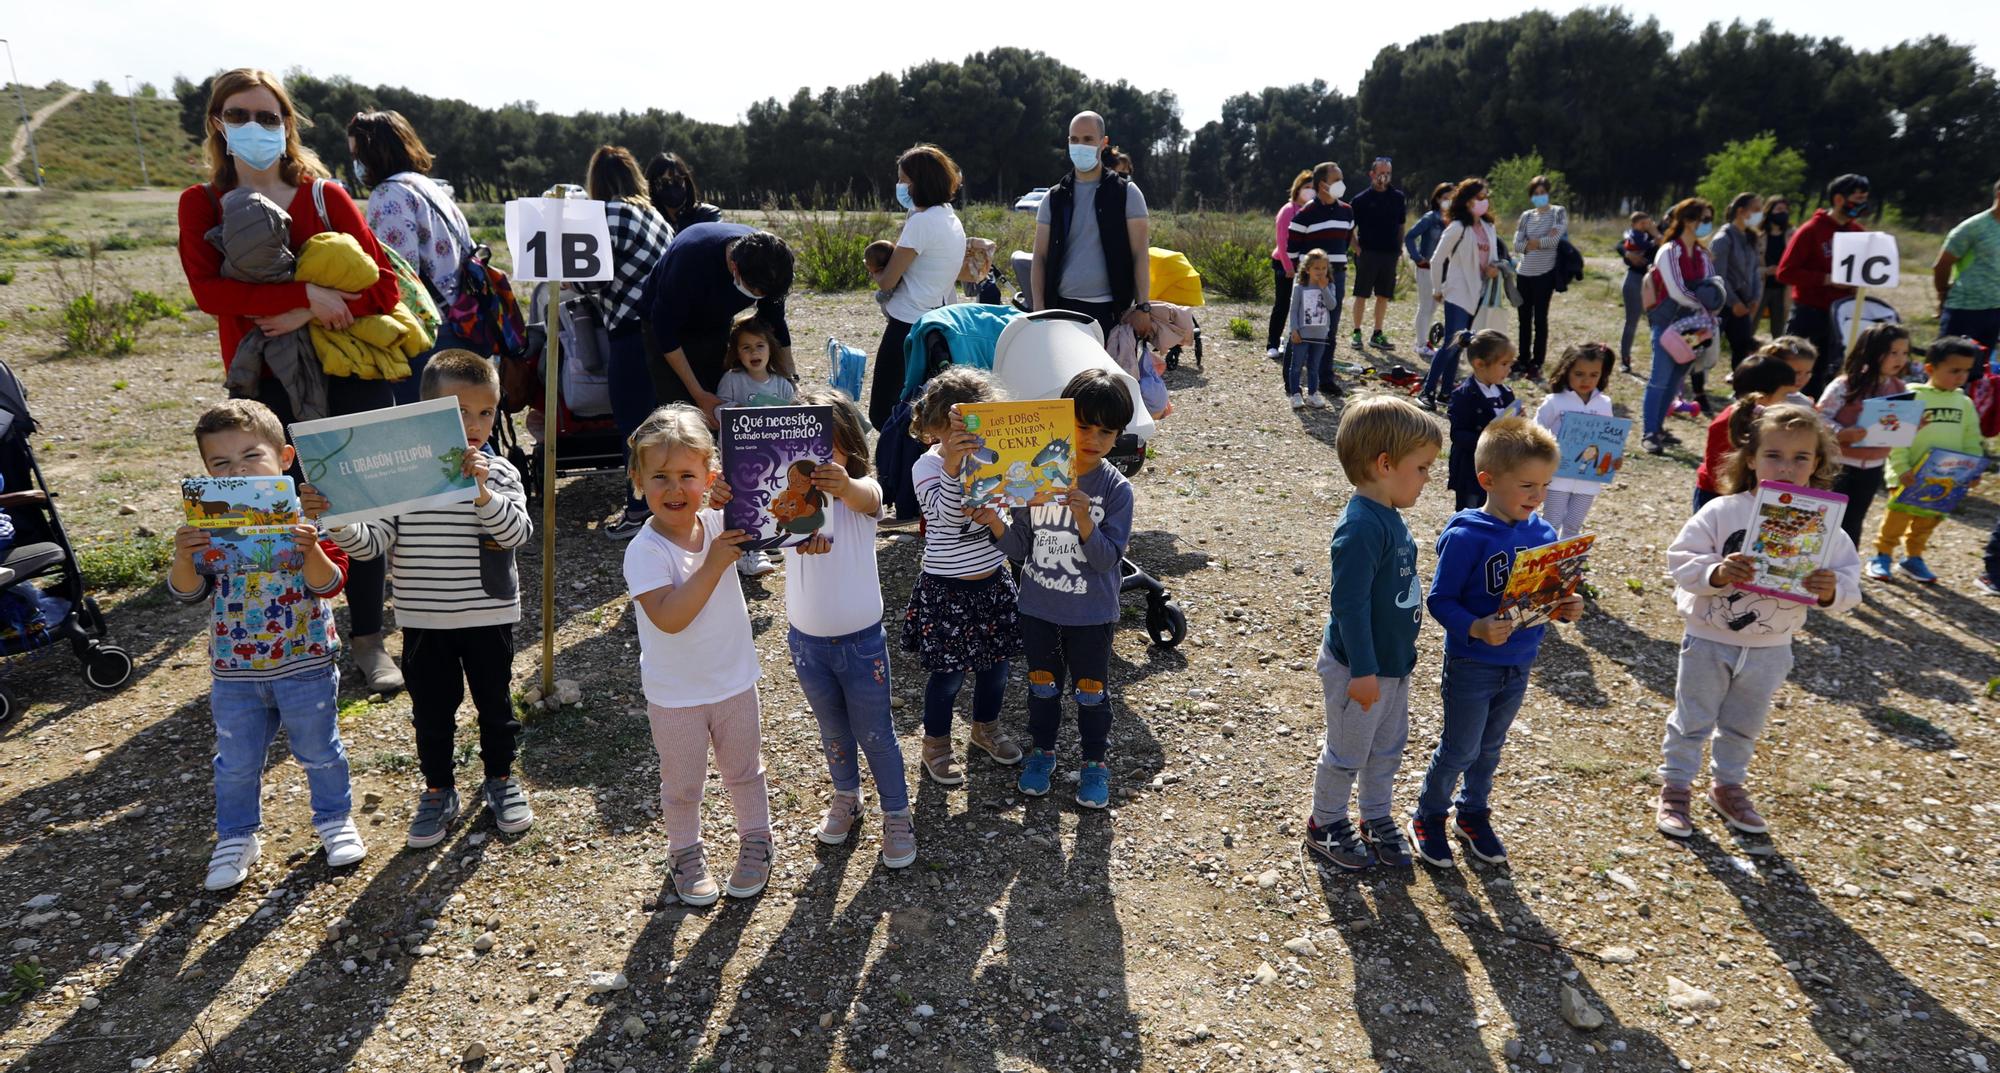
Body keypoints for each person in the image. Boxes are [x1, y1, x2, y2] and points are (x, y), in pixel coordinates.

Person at [176, 67, 407, 695]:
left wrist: (310, 308)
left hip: (346, 372)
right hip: (262, 383)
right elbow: (208, 290)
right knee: (270, 507)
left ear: (288, 124)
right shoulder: (200, 203)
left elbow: (384, 289)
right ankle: (285, 634)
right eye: (240, 114)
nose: (255, 127)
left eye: (268, 116)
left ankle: (367, 639)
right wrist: (305, 288)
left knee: (356, 506)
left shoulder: (325, 195)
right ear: (218, 124)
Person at [317, 352, 534, 847]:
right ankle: (439, 789)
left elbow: (516, 532)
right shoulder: (403, 480)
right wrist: (338, 520)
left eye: (485, 412)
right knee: (432, 714)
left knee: (495, 705)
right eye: (458, 412)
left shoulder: (498, 473)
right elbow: (373, 543)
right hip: (424, 618)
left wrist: (481, 493)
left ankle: (501, 779)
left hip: (488, 614)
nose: (474, 424)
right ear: (423, 416)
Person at [711, 387, 916, 867]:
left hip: (863, 642)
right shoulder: (788, 502)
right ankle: (847, 796)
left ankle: (897, 813)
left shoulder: (860, 495)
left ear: (848, 445)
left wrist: (844, 485)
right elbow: (741, 526)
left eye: (826, 444)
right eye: (803, 447)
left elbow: (869, 498)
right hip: (806, 641)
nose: (814, 459)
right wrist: (725, 495)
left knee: (877, 733)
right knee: (834, 732)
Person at [170, 400, 360, 890]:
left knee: (320, 750)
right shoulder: (208, 519)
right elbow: (189, 591)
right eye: (221, 464)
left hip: (306, 660)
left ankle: (334, 820)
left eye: (251, 456)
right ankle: (236, 836)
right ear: (205, 472)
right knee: (235, 762)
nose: (238, 471)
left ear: (285, 457)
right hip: (234, 668)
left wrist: (310, 545)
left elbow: (331, 584)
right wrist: (184, 555)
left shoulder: (313, 513)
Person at [1656, 403, 1860, 839]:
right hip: (1709, 637)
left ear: (1818, 463)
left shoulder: (1827, 527)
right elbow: (1681, 559)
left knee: (1743, 725)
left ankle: (1727, 786)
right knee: (1693, 717)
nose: (1786, 466)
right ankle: (1675, 788)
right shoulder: (1722, 511)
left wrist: (1829, 589)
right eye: (1774, 455)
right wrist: (1716, 572)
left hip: (1772, 646)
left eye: (1801, 457)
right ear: (1751, 459)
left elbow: (1850, 584)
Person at [1412, 417, 1585, 868]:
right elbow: (1440, 600)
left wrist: (1565, 607)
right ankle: (1428, 815)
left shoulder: (1543, 533)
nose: (1539, 496)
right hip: (1472, 662)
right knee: (1460, 748)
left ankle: (1473, 812)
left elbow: (1543, 598)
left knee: (1491, 747)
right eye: (1528, 485)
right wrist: (1475, 627)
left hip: (1520, 662)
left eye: (1545, 485)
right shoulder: (1467, 536)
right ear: (1488, 480)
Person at [623, 404, 772, 906]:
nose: (674, 489)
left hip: (734, 682)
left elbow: (775, 515)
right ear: (637, 480)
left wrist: (740, 493)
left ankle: (756, 839)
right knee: (682, 784)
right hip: (676, 695)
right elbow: (669, 616)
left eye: (688, 475)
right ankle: (684, 850)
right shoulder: (644, 551)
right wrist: (713, 563)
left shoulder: (719, 524)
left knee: (745, 770)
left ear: (709, 477)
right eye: (659, 476)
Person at [985, 369, 1135, 808]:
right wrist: (995, 521)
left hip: (1091, 615)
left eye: (1106, 431)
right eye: (1083, 425)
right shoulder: (1037, 477)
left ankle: (1094, 764)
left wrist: (1086, 518)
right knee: (1042, 687)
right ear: (1062, 420)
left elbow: (1109, 560)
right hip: (1038, 607)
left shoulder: (1116, 489)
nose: (1093, 438)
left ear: (1117, 435)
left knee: (1092, 691)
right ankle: (1042, 753)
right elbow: (1020, 548)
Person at [1303, 395, 1439, 871]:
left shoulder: (1389, 516)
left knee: (1386, 748)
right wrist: (1363, 670)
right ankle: (1325, 822)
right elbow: (1349, 605)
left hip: (1393, 665)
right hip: (1361, 670)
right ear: (1385, 464)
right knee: (1347, 752)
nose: (1427, 479)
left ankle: (1375, 815)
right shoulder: (1360, 527)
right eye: (1421, 468)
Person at [901, 368, 1025, 784]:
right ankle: (935, 743)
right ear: (935, 425)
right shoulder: (927, 466)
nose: (967, 435)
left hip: (993, 581)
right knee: (949, 676)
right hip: (947, 589)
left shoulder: (995, 457)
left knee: (997, 669)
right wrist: (952, 464)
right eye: (956, 428)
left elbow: (1012, 509)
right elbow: (946, 518)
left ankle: (985, 727)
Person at [345, 109, 471, 402]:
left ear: (375, 152)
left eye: (357, 155)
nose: (356, 165)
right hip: (462, 321)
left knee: (431, 433)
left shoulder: (389, 194)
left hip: (426, 333)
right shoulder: (427, 187)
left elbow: (398, 276)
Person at [588, 146, 677, 541]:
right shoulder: (653, 214)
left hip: (629, 333)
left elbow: (592, 278)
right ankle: (669, 502)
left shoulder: (608, 215)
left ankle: (640, 507)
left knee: (633, 426)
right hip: (663, 332)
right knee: (661, 422)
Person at [641, 223, 795, 425]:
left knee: (720, 402)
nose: (762, 297)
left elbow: (775, 323)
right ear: (734, 267)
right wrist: (699, 395)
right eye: (756, 292)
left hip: (715, 322)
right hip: (666, 325)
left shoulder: (770, 263)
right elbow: (665, 332)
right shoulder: (690, 261)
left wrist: (792, 380)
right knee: (683, 413)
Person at [868, 145, 967, 430]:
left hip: (906, 324)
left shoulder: (921, 223)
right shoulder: (949, 218)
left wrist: (875, 269)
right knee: (921, 408)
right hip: (937, 321)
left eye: (903, 180)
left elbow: (888, 279)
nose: (900, 186)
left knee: (884, 411)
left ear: (918, 183)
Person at [1031, 111, 1152, 340]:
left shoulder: (1127, 193)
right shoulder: (1054, 198)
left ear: (1103, 142)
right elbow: (1040, 257)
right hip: (1061, 310)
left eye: (1088, 139)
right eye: (1074, 140)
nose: (1080, 145)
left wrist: (1143, 307)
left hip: (1111, 313)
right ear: (1068, 142)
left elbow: (1140, 255)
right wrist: (1039, 308)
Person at [1870, 338, 1983, 584]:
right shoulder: (1912, 396)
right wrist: (1900, 468)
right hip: (1908, 473)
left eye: (1966, 371)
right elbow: (1896, 437)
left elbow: (1971, 438)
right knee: (1897, 517)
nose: (1961, 377)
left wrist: (1972, 469)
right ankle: (1882, 555)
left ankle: (1913, 557)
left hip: (1946, 477)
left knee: (1928, 519)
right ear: (1930, 369)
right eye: (1954, 370)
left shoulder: (1964, 403)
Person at [1816, 322, 1912, 549]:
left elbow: (1897, 427)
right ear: (1873, 352)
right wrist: (1842, 433)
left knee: (1854, 521)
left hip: (1873, 467)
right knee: (1825, 518)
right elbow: (1819, 418)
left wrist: (1913, 425)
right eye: (1893, 352)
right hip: (1838, 464)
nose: (1900, 359)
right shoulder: (1845, 385)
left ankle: (1843, 572)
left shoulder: (1900, 388)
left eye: (1905, 353)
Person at [1778, 174, 1870, 396]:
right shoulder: (1811, 230)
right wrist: (1826, 279)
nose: (1861, 205)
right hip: (1809, 313)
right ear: (1839, 199)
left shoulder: (1859, 233)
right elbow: (1785, 272)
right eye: (1857, 199)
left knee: (1828, 369)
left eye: (1864, 199)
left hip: (1842, 314)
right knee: (1795, 367)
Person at [1640, 198, 1718, 455]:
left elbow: (1713, 284)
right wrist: (1706, 301)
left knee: (1675, 380)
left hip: (1693, 326)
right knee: (1659, 379)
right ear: (1687, 219)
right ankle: (1649, 432)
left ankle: (1659, 428)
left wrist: (1711, 302)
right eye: (1703, 219)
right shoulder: (1669, 251)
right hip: (1668, 323)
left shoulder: (1702, 254)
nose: (1707, 225)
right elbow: (1677, 290)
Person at [1418, 177, 1498, 410]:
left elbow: (1491, 257)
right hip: (1457, 291)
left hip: (1478, 292)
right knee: (1451, 344)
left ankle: (1446, 392)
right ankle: (1427, 391)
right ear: (1467, 200)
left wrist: (1495, 267)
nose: (1484, 202)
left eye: (1486, 197)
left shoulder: (1488, 227)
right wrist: (1437, 288)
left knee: (1462, 344)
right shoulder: (1457, 227)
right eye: (1480, 197)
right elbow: (1437, 259)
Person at [1691, 352, 1798, 513]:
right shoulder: (1725, 424)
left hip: (1747, 494)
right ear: (1762, 397)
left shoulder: (1768, 420)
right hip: (1717, 495)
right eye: (1785, 395)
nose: (1788, 401)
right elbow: (1716, 470)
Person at [1533, 341, 1615, 538]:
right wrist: (1549, 446)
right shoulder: (1555, 401)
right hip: (1557, 476)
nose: (1586, 380)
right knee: (1551, 522)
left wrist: (1614, 458)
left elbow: (1610, 439)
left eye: (1594, 375)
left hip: (1589, 480)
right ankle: (1543, 563)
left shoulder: (1605, 404)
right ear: (1566, 370)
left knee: (1573, 526)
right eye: (1579, 374)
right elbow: (1536, 429)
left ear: (1601, 375)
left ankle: (1565, 566)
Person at [1288, 162, 1355, 390]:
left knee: (1330, 327)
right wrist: (1306, 276)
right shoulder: (1306, 213)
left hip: (1336, 277)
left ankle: (1325, 378)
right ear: (1322, 184)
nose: (1341, 184)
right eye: (1336, 180)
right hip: (1309, 281)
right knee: (1302, 325)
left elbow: (1345, 241)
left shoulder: (1347, 210)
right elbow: (1292, 248)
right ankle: (1293, 375)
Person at [1446, 330, 1520, 511]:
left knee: (1496, 511)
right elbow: (1458, 434)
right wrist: (1488, 437)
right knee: (1471, 511)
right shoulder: (1463, 395)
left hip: (1500, 468)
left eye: (1510, 364)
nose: (1508, 369)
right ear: (1479, 364)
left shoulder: (1505, 393)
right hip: (1471, 470)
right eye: (1503, 364)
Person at [1510, 175, 1567, 379]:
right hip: (1523, 273)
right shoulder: (1526, 216)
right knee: (1523, 319)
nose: (1539, 196)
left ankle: (1537, 361)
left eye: (1543, 193)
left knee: (1540, 319)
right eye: (1536, 194)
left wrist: (1532, 243)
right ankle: (1523, 358)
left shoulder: (1558, 212)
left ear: (1548, 193)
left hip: (1545, 274)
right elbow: (1516, 245)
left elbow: (1554, 240)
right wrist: (1535, 242)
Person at [1933, 179, 2000, 350]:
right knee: (1947, 363)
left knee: (1979, 370)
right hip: (1964, 309)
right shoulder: (1974, 227)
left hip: (1995, 310)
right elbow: (1942, 264)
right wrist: (1942, 294)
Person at [1348, 157, 1407, 351]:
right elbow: (1348, 229)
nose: (1384, 176)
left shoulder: (1398, 197)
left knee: (1383, 295)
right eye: (1381, 172)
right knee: (1361, 294)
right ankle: (1356, 332)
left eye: (1388, 173)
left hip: (1389, 254)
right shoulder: (1360, 200)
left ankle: (1377, 333)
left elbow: (1401, 225)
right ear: (1372, 174)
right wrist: (1357, 248)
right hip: (1367, 253)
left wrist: (1399, 249)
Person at [1710, 192, 1765, 369]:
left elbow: (1755, 270)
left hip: (1745, 303)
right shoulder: (1723, 239)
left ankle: (1740, 389)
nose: (1759, 214)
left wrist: (1756, 297)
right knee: (1708, 347)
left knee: (1742, 350)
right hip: (1723, 305)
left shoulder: (1751, 238)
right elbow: (1718, 275)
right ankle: (1699, 391)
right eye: (1755, 210)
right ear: (1741, 211)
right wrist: (1733, 302)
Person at [1267, 170, 1316, 359]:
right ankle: (1272, 342)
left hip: (1305, 265)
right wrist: (1288, 266)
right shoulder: (1288, 210)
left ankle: (1300, 343)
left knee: (1305, 306)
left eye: (1313, 188)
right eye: (1307, 188)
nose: (1310, 192)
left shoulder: (1312, 211)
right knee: (1282, 304)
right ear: (1298, 188)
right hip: (1284, 264)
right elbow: (1281, 240)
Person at [1286, 249, 1341, 409]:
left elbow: (1332, 306)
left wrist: (1324, 288)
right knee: (1296, 366)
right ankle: (1295, 394)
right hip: (1302, 335)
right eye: (1317, 268)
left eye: (1324, 268)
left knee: (1314, 367)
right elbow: (1294, 310)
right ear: (1307, 269)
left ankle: (1312, 394)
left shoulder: (1329, 286)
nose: (1320, 271)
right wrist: (1294, 329)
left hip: (1320, 335)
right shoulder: (1299, 288)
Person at [1405, 183, 1453, 359]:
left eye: (1451, 198)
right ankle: (1420, 343)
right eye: (1445, 198)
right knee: (1426, 305)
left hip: (1447, 269)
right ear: (1437, 199)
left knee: (1434, 307)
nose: (1448, 201)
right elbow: (1409, 236)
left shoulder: (1455, 221)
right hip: (1427, 268)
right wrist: (1417, 258)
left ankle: (1427, 341)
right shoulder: (1430, 218)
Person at [1617, 212, 1661, 373]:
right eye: (1643, 223)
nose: (1646, 226)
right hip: (1635, 279)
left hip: (1655, 283)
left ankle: (1659, 361)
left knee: (1656, 323)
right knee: (1631, 321)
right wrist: (1627, 253)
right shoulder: (1634, 237)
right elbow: (1619, 245)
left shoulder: (1657, 236)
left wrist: (1655, 233)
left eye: (1648, 223)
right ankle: (1625, 359)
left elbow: (1664, 245)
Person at [645, 152, 723, 231]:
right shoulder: (649, 220)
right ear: (653, 186)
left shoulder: (707, 215)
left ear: (686, 181)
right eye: (664, 182)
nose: (671, 186)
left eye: (677, 180)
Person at [1757, 196, 1792, 339]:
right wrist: (1766, 270)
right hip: (1761, 287)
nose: (1783, 213)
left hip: (1783, 289)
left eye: (1785, 210)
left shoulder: (1792, 235)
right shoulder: (1758, 236)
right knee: (1750, 325)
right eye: (1779, 210)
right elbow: (1749, 265)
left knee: (1779, 330)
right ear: (1769, 212)